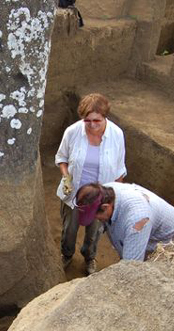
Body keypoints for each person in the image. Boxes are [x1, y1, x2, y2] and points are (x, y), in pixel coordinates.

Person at [54, 93, 126, 275]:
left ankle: (89, 257)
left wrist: (113, 198)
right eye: (88, 121)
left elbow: (119, 170)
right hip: (75, 193)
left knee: (95, 231)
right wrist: (66, 177)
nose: (92, 125)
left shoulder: (117, 135)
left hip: (100, 196)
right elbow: (61, 158)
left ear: (105, 117)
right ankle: (67, 254)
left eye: (97, 120)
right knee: (69, 229)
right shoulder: (73, 132)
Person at [74, 182, 174, 263]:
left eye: (96, 216)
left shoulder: (136, 221)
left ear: (105, 207)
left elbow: (131, 268)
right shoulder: (106, 190)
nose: (96, 219)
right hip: (149, 237)